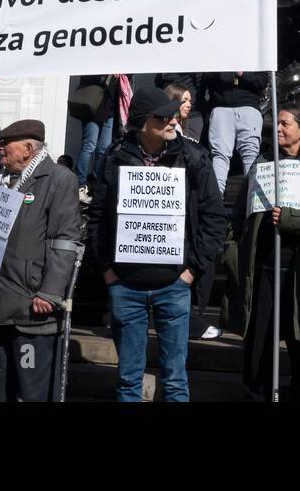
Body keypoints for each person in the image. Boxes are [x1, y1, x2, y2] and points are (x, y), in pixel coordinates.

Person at [88, 86, 226, 401]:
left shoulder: (193, 157)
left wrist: (191, 271)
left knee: (175, 381)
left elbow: (214, 219)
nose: (173, 120)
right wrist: (108, 271)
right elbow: (96, 218)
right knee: (127, 381)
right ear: (142, 121)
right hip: (125, 285)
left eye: (173, 114)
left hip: (174, 285)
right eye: (163, 115)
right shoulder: (113, 157)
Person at [229, 103, 300, 401]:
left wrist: (293, 220)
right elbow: (239, 217)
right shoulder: (261, 166)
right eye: (275, 123)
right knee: (258, 352)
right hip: (263, 274)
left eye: (285, 124)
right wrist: (232, 251)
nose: (277, 128)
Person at [0, 119, 82, 402]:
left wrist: (50, 291)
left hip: (31, 305)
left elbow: (65, 240)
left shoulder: (60, 179)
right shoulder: (1, 180)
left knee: (31, 391)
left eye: (5, 144)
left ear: (27, 148)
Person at [204, 71, 269, 198]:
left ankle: (251, 201)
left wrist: (242, 73)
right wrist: (224, 70)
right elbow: (207, 79)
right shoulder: (216, 53)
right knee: (220, 155)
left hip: (248, 108)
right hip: (221, 107)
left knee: (251, 155)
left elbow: (262, 82)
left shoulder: (254, 53)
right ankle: (216, 201)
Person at [71, 74, 126, 193]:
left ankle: (97, 184)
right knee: (89, 145)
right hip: (93, 103)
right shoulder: (94, 60)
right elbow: (86, 76)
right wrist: (107, 75)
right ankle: (80, 184)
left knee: (104, 149)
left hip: (109, 106)